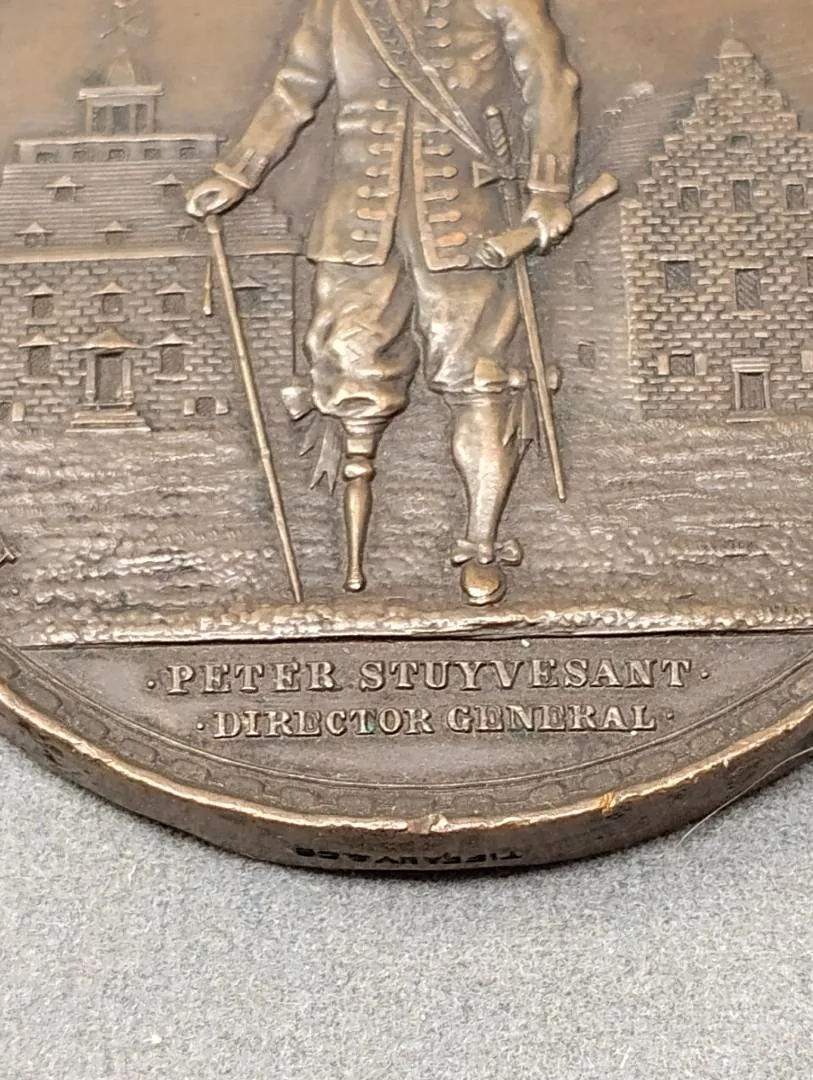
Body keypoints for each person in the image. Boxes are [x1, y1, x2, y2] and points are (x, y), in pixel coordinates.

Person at [187, 0, 579, 606]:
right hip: (356, 224)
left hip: (466, 220)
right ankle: (351, 563)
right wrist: (238, 172)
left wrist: (549, 188)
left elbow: (548, 78)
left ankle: (481, 544)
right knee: (351, 374)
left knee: (481, 379)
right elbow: (295, 88)